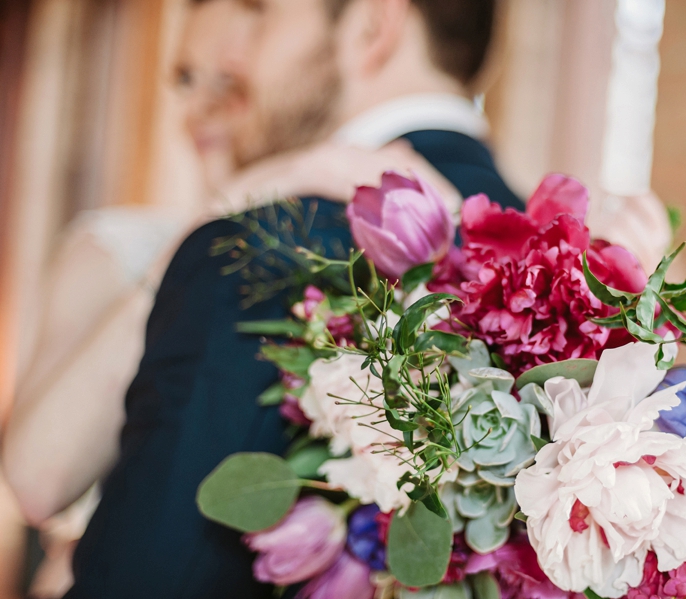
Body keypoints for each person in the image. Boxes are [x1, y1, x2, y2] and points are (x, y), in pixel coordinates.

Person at [29, 0, 519, 597]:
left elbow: (152, 576)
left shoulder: (263, 246)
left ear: (372, 26)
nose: (239, 54)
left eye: (261, 11)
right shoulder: (570, 274)